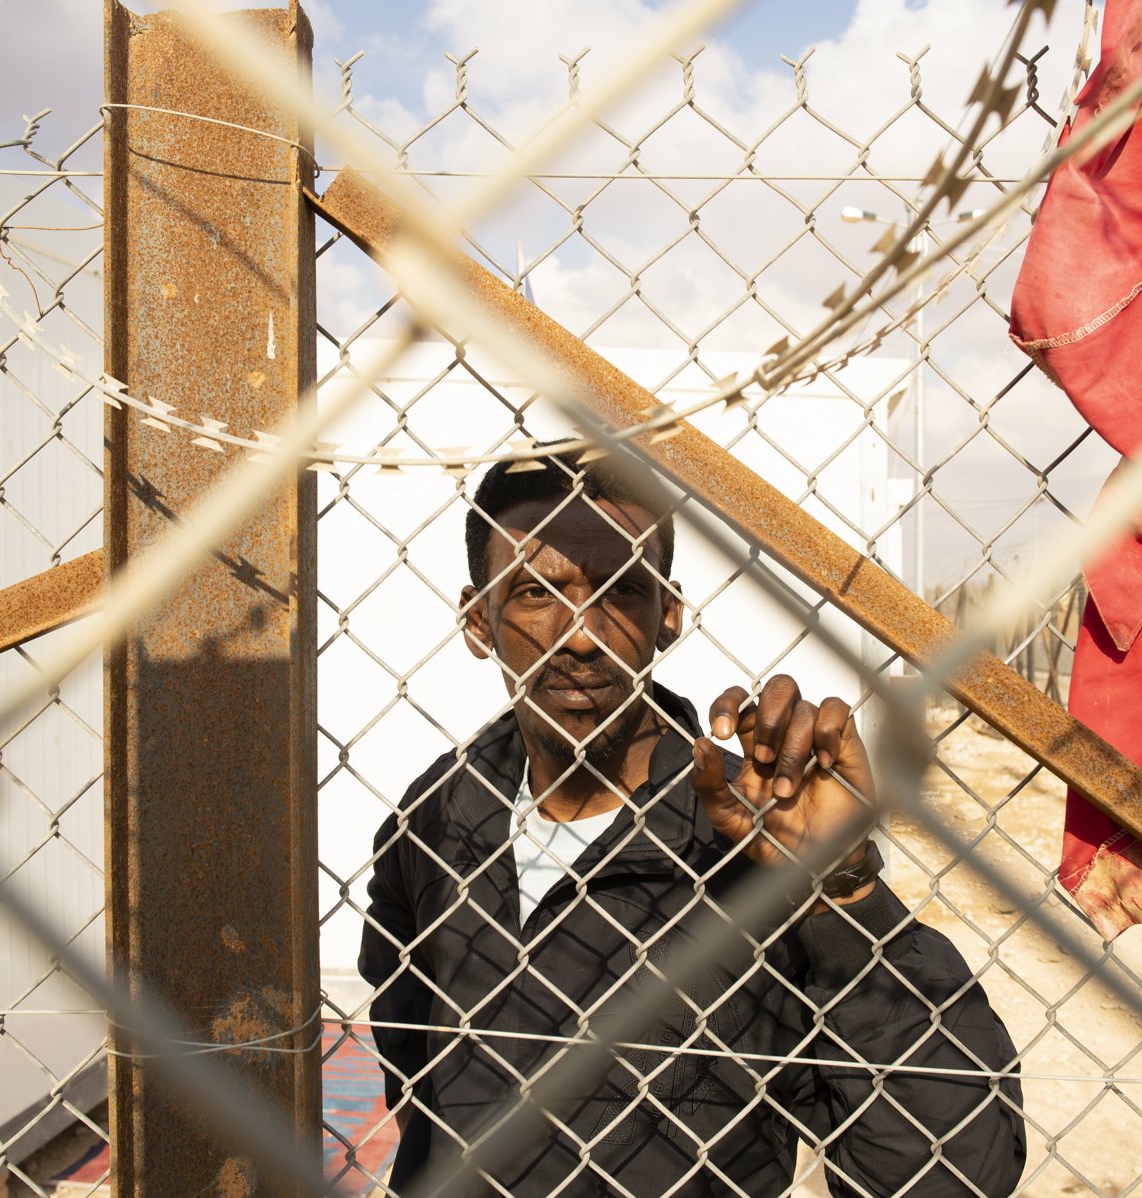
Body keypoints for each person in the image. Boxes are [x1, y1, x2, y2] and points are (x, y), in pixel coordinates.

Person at [359, 449, 1026, 1197]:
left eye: (621, 591)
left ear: (668, 616)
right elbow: (413, 1069)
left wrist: (843, 893)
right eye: (537, 591)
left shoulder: (756, 840)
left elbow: (956, 1177)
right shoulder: (435, 819)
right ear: (479, 622)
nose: (580, 634)